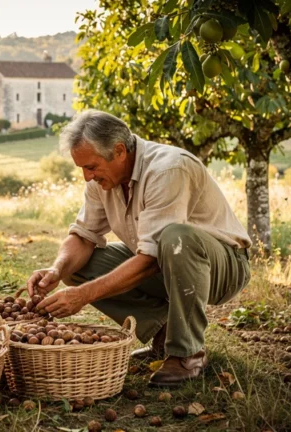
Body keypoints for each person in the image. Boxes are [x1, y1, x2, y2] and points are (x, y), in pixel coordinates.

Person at [27, 110, 252, 387]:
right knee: (76, 268)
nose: (87, 177)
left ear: (119, 151)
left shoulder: (168, 169)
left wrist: (83, 296)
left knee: (176, 236)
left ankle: (187, 354)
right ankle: (164, 333)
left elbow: (150, 258)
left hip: (222, 267)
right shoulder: (103, 181)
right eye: (82, 168)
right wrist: (56, 269)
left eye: (92, 167)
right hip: (163, 264)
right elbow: (84, 237)